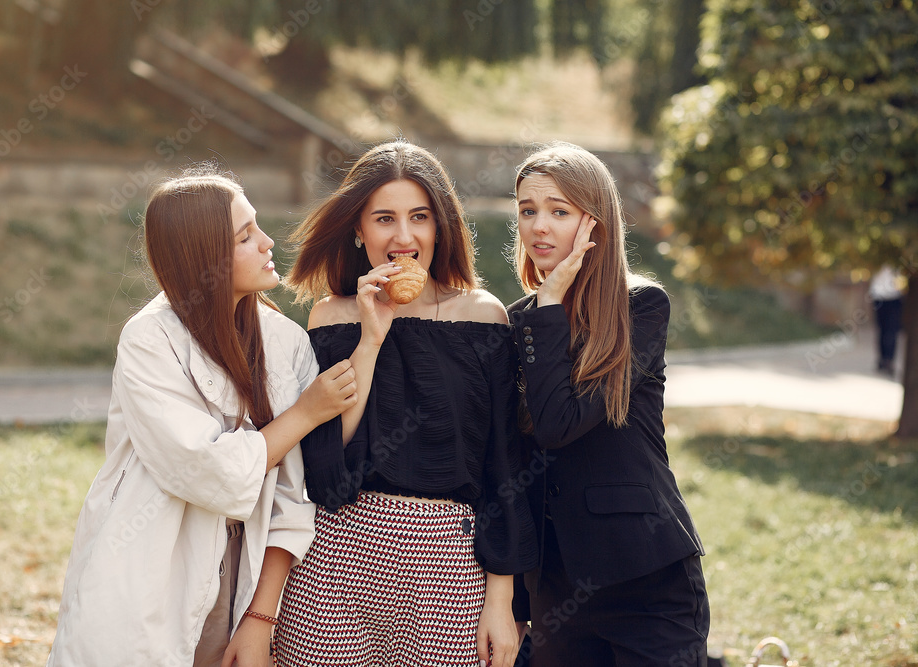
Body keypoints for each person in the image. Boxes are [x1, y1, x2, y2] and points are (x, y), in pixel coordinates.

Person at [47, 166, 359, 666]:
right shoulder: (151, 340)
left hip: (244, 578)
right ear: (203, 258)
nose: (266, 242)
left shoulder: (287, 342)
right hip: (149, 570)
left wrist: (260, 619)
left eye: (256, 225)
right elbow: (207, 469)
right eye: (244, 236)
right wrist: (305, 413)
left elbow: (292, 498)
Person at [272, 139, 538, 667]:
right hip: (337, 563)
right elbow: (329, 471)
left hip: (450, 564)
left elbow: (505, 464)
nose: (403, 237)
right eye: (384, 219)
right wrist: (370, 339)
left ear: (441, 226)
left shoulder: (483, 316)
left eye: (420, 217)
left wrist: (503, 599)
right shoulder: (330, 318)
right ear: (357, 229)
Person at [507, 143, 710, 666]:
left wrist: (550, 304)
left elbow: (559, 423)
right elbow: (511, 459)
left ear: (595, 223)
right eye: (527, 211)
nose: (539, 227)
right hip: (555, 591)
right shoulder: (517, 323)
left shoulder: (640, 307)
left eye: (559, 210)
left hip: (646, 579)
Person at [869, 264, 905, 377]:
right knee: (883, 330)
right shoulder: (875, 258)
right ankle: (882, 359)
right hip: (879, 296)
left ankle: (889, 360)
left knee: (891, 331)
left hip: (893, 297)